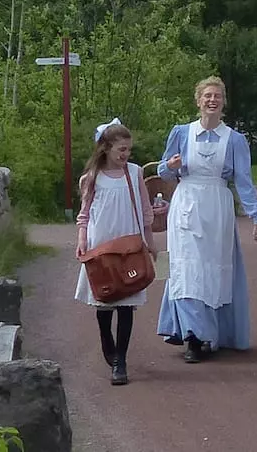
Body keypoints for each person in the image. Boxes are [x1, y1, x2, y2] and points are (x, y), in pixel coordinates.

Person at [155, 76, 257, 362]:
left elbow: (244, 181)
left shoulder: (235, 140)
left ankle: (212, 332)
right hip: (186, 205)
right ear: (198, 100)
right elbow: (162, 171)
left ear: (224, 102)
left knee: (213, 271)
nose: (212, 100)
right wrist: (169, 166)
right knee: (184, 268)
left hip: (217, 208)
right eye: (207, 95)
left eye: (217, 96)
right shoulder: (181, 133)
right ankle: (192, 335)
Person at [74, 117, 167, 386]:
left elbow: (146, 211)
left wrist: (150, 241)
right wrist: (82, 238)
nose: (126, 154)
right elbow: (84, 214)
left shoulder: (134, 173)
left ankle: (120, 360)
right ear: (106, 148)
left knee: (127, 300)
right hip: (101, 244)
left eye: (128, 150)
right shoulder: (92, 177)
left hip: (129, 243)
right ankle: (107, 343)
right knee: (104, 300)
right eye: (121, 150)